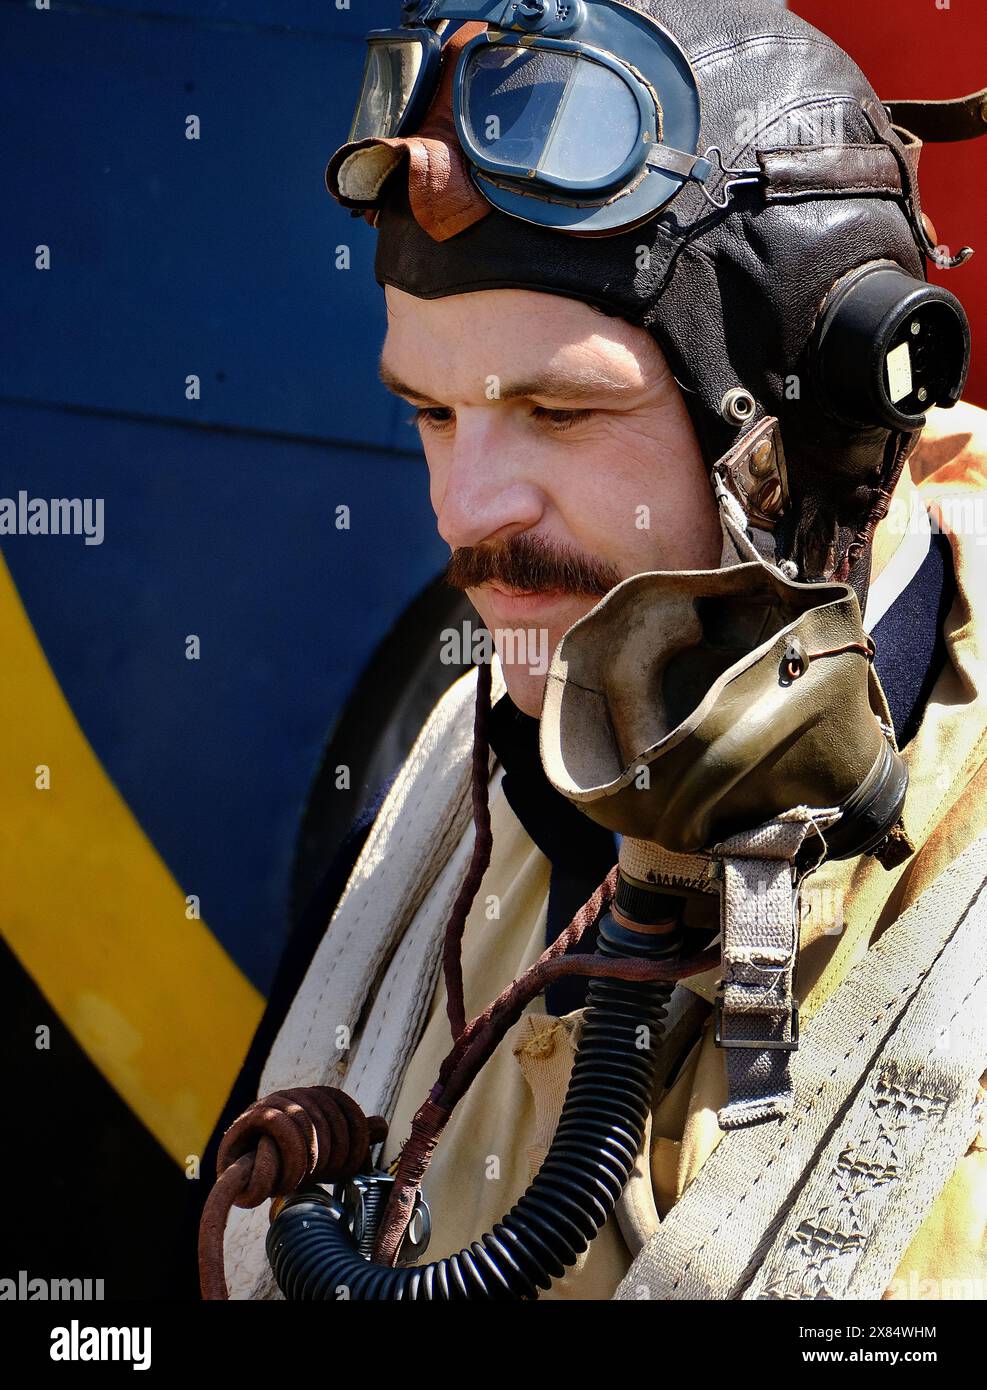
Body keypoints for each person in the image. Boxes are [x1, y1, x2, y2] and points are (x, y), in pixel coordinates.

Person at [200, 0, 987, 1300]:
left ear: (821, 437)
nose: (466, 508)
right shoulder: (441, 807)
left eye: (560, 410)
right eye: (433, 413)